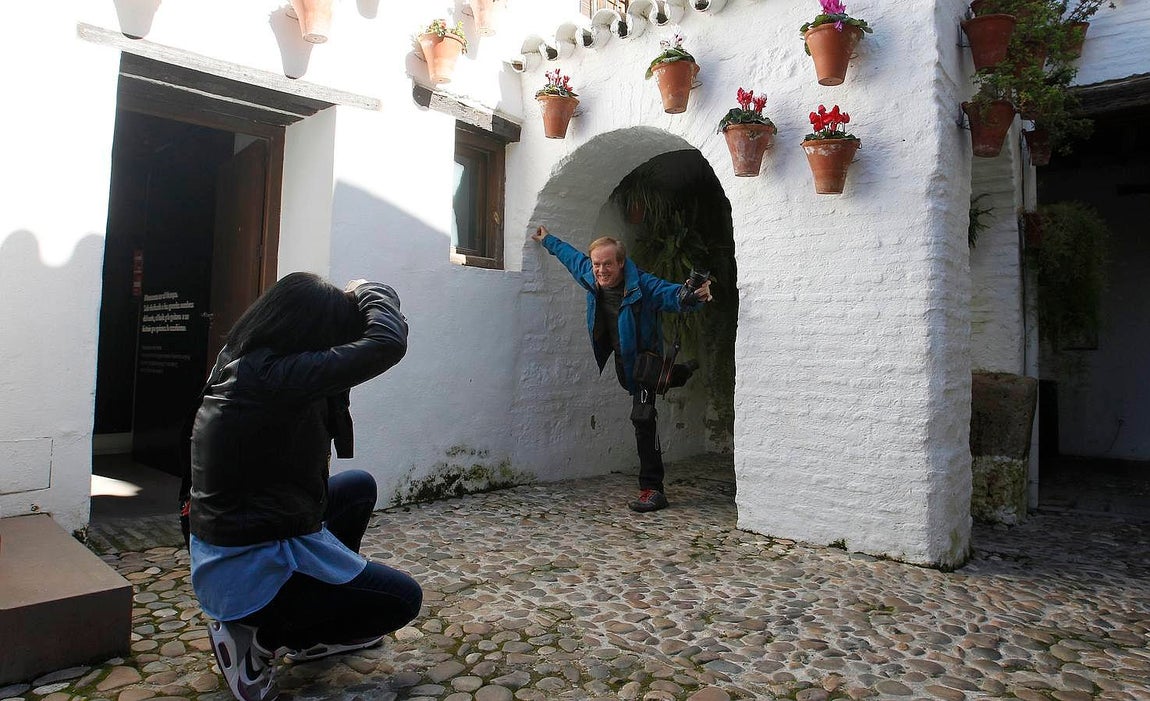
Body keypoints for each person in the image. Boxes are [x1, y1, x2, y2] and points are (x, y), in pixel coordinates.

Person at [188, 272, 422, 701]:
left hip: (258, 521)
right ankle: (256, 636)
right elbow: (387, 342)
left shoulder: (250, 359)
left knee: (357, 488)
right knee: (403, 600)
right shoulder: (273, 376)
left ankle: (312, 633)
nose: (335, 345)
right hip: (246, 556)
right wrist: (367, 289)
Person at [531, 225, 712, 513]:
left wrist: (694, 295)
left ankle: (653, 490)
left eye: (608, 264)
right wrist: (547, 239)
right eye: (597, 264)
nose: (601, 270)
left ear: (621, 263)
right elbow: (571, 257)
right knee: (657, 386)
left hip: (644, 361)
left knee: (643, 418)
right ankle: (679, 373)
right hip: (623, 363)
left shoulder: (642, 285)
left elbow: (672, 294)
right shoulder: (591, 276)